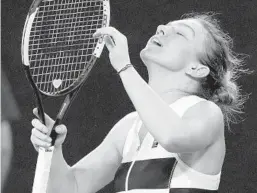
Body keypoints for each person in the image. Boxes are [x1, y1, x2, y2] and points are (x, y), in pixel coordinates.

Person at [30, 13, 246, 193]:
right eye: (166, 26)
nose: (161, 28)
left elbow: (172, 136)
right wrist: (53, 150)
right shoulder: (129, 127)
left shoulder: (206, 113)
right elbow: (71, 188)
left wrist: (125, 66)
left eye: (180, 33)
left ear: (197, 69)